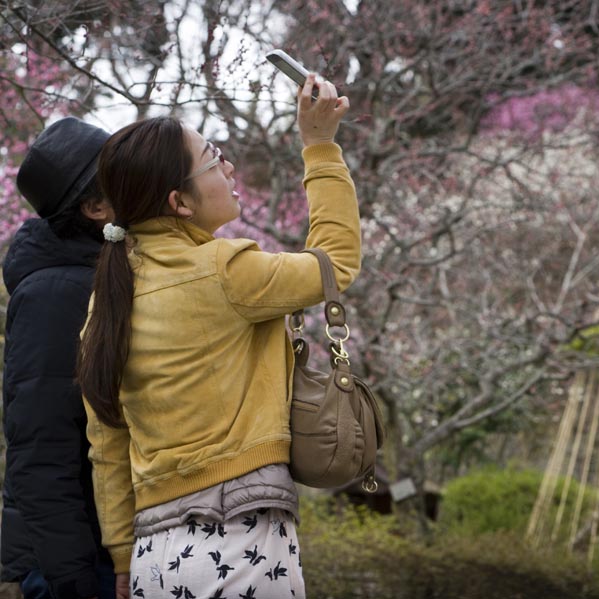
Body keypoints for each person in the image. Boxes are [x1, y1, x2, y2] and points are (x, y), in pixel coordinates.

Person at [76, 73, 359, 599]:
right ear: (179, 202)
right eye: (214, 158)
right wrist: (320, 148)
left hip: (152, 558)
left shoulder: (106, 302)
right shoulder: (225, 270)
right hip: (240, 543)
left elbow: (108, 441)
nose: (229, 167)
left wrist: (120, 555)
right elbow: (335, 265)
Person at [1, 118, 116, 599]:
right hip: (76, 560)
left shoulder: (102, 274)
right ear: (94, 207)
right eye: (125, 175)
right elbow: (39, 449)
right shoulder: (54, 292)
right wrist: (73, 579)